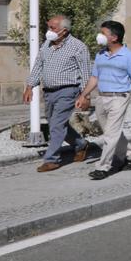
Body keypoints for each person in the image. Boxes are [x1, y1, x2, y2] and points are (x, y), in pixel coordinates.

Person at [76, 20, 131, 180]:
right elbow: (95, 77)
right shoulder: (100, 54)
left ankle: (103, 167)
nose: (99, 36)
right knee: (111, 132)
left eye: (103, 33)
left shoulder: (128, 56)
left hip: (119, 97)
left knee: (110, 135)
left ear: (114, 37)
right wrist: (84, 95)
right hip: (102, 98)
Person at [24, 15, 94, 172]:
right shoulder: (46, 45)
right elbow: (38, 65)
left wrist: (85, 96)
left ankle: (52, 159)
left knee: (56, 124)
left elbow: (85, 72)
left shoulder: (78, 47)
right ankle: (81, 144)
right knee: (56, 124)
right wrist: (30, 86)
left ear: (64, 31)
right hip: (48, 92)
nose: (49, 31)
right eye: (49, 27)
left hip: (68, 91)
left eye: (53, 28)